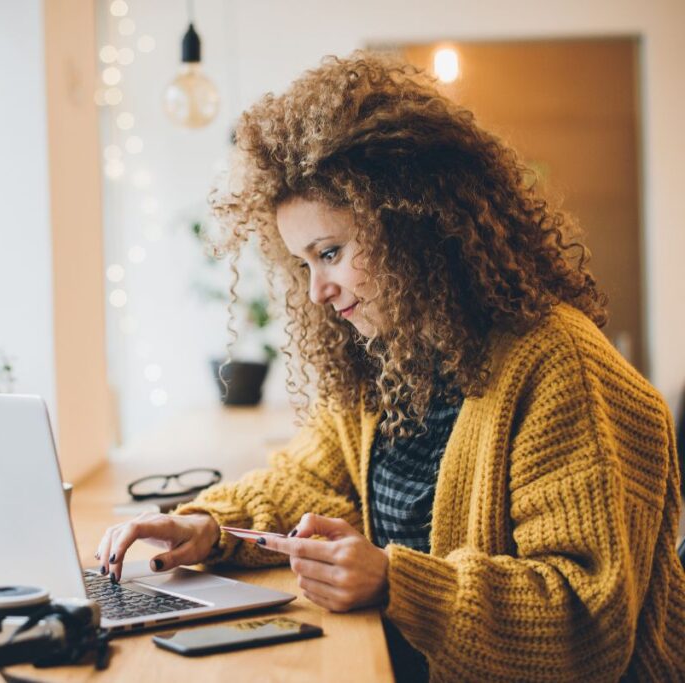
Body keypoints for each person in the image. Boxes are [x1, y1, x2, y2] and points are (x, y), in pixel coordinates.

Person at [94, 53, 685, 681]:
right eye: (303, 265)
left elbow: (584, 624)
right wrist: (207, 526)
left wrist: (397, 582)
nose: (317, 289)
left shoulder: (560, 365)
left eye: (331, 252)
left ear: (413, 227)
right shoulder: (390, 358)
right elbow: (313, 484)